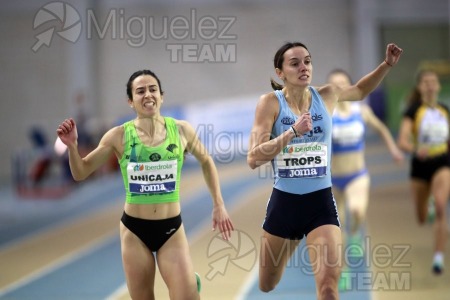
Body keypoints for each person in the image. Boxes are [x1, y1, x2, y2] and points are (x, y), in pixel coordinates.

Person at [56, 69, 234, 299]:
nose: (148, 94)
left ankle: (188, 282)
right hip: (135, 231)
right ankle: (186, 280)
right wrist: (72, 146)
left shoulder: (181, 130)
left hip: (171, 229)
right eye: (140, 91)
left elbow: (207, 161)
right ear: (131, 101)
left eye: (153, 89)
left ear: (162, 96)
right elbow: (81, 172)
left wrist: (218, 204)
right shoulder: (118, 136)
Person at [247, 42, 402, 299]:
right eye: (295, 63)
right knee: (266, 284)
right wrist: (292, 132)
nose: (303, 67)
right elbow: (253, 158)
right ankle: (291, 241)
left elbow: (361, 90)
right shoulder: (270, 104)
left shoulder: (327, 95)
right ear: (280, 72)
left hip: (320, 205)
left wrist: (386, 65)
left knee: (329, 288)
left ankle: (299, 240)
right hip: (283, 206)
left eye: (307, 61)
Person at [327, 69, 404, 290]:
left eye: (343, 83)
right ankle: (343, 271)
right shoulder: (326, 114)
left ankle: (355, 234)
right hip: (332, 181)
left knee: (357, 212)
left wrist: (394, 150)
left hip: (357, 176)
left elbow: (381, 129)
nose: (339, 87)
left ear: (351, 86)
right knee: (334, 229)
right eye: (334, 84)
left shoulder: (361, 110)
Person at [397, 69, 450, 275]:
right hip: (420, 166)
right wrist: (415, 150)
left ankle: (438, 257)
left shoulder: (444, 110)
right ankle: (426, 206)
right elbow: (402, 141)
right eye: (425, 82)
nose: (429, 85)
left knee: (440, 207)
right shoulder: (413, 110)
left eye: (433, 81)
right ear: (419, 87)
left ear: (438, 86)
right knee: (421, 218)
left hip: (442, 163)